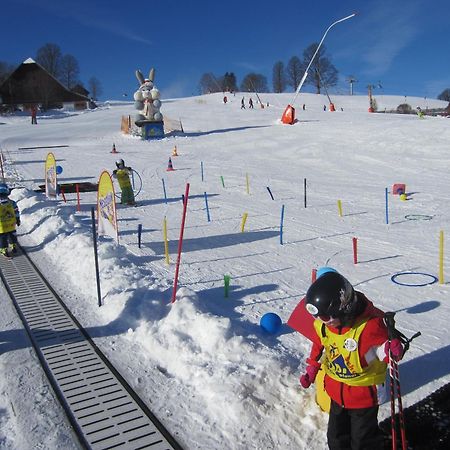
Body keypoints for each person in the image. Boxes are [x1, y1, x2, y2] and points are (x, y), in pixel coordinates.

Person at [299, 271, 403, 450]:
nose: (320, 321)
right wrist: (312, 369)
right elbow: (320, 345)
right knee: (336, 437)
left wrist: (390, 350)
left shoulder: (370, 326)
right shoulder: (325, 327)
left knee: (362, 441)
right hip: (335, 391)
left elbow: (378, 352)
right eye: (316, 317)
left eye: (324, 317)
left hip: (363, 396)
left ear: (343, 308)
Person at [0, 183, 20, 257]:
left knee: (2, 237)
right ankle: (13, 245)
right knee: (12, 235)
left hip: (2, 225)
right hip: (11, 223)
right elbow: (16, 211)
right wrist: (17, 218)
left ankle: (3, 248)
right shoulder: (11, 202)